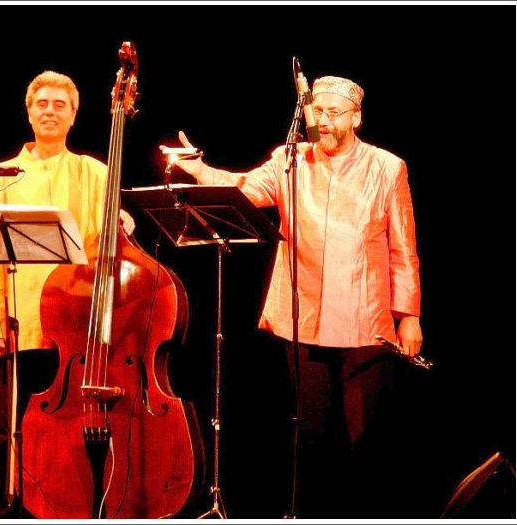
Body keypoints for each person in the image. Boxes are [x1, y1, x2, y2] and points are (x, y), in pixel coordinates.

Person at [166, 75, 422, 517]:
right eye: (317, 112)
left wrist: (409, 315)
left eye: (334, 113)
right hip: (303, 316)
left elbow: (403, 246)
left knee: (365, 437)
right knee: (311, 434)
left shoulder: (387, 167)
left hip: (366, 318)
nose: (323, 121)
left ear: (356, 118)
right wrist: (197, 168)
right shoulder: (291, 160)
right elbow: (243, 189)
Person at [0, 70, 133, 358]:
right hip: (22, 324)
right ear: (30, 113)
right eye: (42, 104)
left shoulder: (96, 173)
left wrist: (122, 226)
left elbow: (109, 254)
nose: (49, 112)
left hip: (81, 323)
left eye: (60, 105)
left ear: (73, 116)